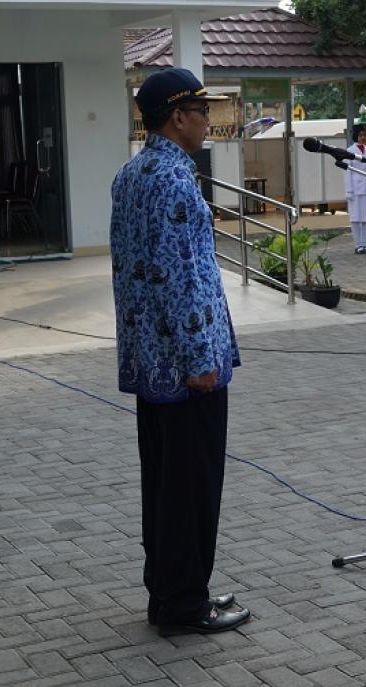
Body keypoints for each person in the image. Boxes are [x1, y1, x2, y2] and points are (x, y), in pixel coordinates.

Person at [111, 67, 249, 634]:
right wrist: (199, 361)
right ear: (177, 117)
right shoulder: (174, 182)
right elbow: (182, 277)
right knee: (192, 488)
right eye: (202, 111)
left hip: (151, 363)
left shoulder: (130, 174)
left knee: (164, 483)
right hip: (186, 365)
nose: (208, 120)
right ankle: (186, 603)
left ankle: (166, 593)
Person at [345, 120, 366, 254]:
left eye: (364, 135)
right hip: (355, 189)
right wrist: (349, 190)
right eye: (360, 135)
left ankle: (364, 244)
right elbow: (348, 172)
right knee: (355, 217)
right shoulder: (349, 151)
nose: (363, 137)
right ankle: (358, 244)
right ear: (355, 136)